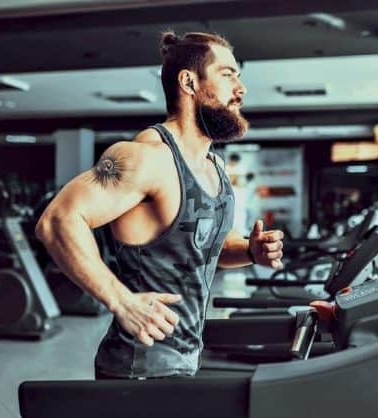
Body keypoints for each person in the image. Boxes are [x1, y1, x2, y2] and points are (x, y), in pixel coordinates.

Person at [35, 31, 285, 379]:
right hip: (138, 368)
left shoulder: (214, 166)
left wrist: (249, 251)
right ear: (189, 82)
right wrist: (121, 301)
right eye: (228, 74)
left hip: (184, 361)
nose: (240, 89)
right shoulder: (146, 158)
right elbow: (57, 220)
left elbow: (204, 247)